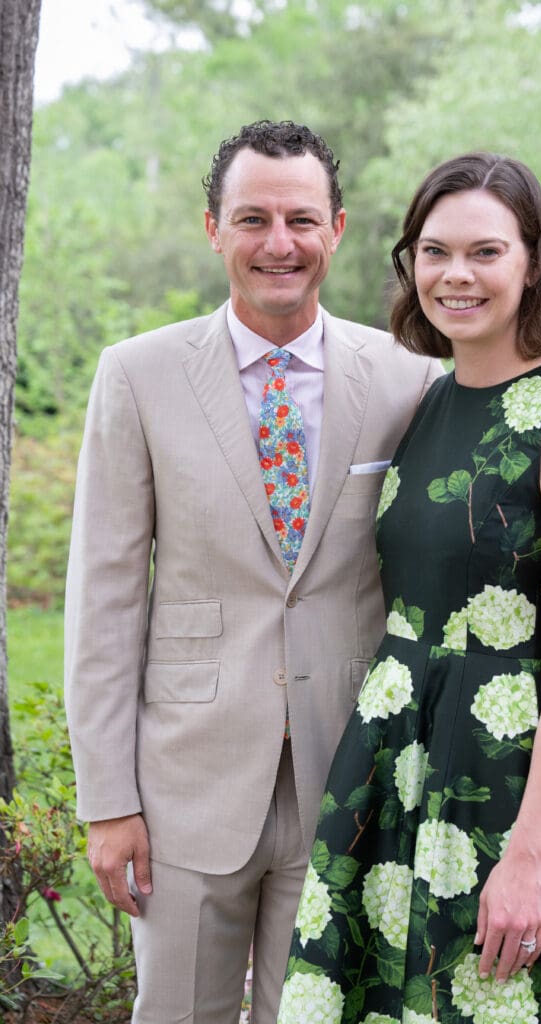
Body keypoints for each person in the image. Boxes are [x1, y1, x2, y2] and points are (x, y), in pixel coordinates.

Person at [63, 120, 442, 1024]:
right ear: (213, 229)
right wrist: (108, 803)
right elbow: (105, 602)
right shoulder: (137, 376)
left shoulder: (410, 379)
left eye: (301, 220)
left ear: (336, 229)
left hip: (348, 776)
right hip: (185, 784)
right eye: (253, 219)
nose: (280, 243)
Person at [278, 153, 541, 1024]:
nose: (455, 275)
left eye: (485, 251)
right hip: (392, 763)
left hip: (502, 775)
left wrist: (527, 857)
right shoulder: (425, 403)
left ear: (532, 262)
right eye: (434, 252)